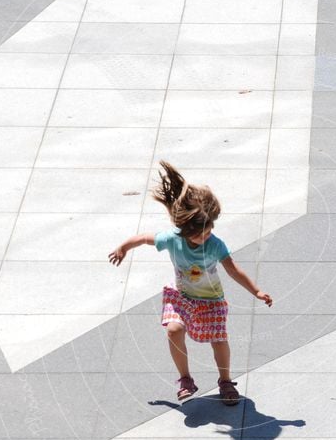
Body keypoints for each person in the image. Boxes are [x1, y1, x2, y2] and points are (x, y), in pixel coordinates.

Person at [108, 161, 272, 405]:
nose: (206, 236)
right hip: (182, 296)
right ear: (184, 230)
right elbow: (143, 238)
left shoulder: (216, 244)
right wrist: (123, 247)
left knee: (218, 339)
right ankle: (185, 379)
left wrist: (256, 291)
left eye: (209, 231)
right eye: (200, 234)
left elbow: (232, 269)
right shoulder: (172, 239)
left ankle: (225, 380)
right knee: (173, 330)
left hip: (210, 300)